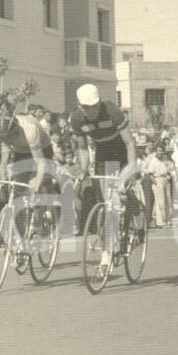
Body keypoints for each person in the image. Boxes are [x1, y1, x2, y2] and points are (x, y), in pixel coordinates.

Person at [69, 83, 141, 260]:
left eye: (94, 106)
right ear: (80, 106)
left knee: (122, 194)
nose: (92, 111)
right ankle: (110, 247)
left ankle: (138, 221)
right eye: (87, 108)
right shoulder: (76, 119)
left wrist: (131, 169)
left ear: (99, 102)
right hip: (102, 155)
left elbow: (130, 143)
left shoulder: (112, 112)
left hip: (122, 152)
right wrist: (84, 169)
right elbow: (83, 148)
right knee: (107, 205)